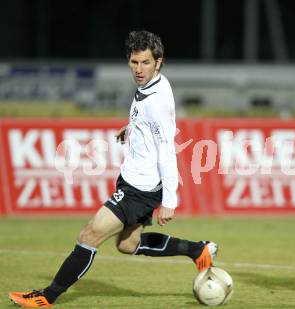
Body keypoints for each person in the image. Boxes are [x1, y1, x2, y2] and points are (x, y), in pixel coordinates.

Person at [9, 30, 218, 308]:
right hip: (134, 182)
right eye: (134, 63)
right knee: (127, 245)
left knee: (89, 235)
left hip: (139, 190)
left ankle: (47, 296)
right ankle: (198, 250)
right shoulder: (152, 86)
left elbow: (167, 149)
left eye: (145, 63)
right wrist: (133, 127)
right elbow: (150, 123)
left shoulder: (157, 102)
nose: (139, 70)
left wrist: (170, 200)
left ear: (159, 62)